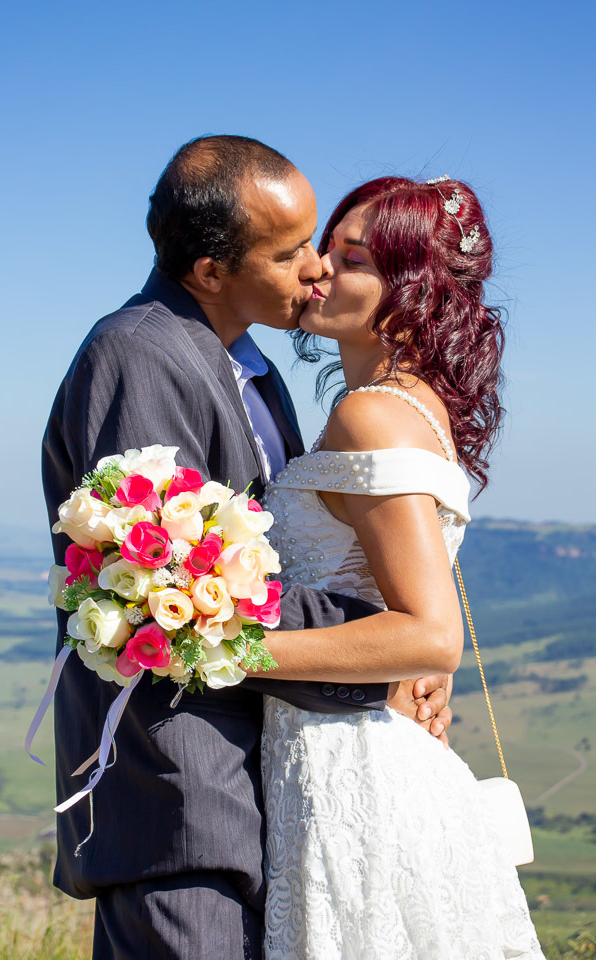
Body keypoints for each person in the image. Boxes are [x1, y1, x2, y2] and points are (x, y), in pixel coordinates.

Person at [42, 137, 453, 960]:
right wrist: (382, 645)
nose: (316, 268)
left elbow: (267, 570)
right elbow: (164, 596)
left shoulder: (255, 374)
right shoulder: (140, 354)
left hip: (260, 790)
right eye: (291, 250)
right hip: (178, 798)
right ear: (209, 272)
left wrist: (401, 650)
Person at [257, 176, 545, 958]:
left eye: (352, 259)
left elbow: (430, 635)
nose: (317, 268)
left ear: (410, 293)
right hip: (359, 746)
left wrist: (225, 653)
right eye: (326, 247)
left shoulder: (371, 414)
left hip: (350, 764)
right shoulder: (411, 408)